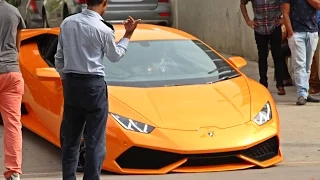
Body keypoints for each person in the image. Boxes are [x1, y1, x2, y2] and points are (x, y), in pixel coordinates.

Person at [54, 0, 140, 179]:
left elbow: (59, 57)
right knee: (95, 141)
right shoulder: (104, 29)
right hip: (94, 85)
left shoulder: (67, 23)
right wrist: (128, 35)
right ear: (104, 3)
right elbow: (115, 56)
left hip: (71, 84)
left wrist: (65, 80)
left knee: (70, 139)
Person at [0, 1, 26, 180]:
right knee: (13, 124)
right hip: (11, 72)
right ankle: (14, 172)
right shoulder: (13, 11)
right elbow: (17, 47)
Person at [240, 0, 287, 95]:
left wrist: (283, 19)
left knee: (278, 56)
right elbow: (242, 4)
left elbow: (287, 3)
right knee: (262, 56)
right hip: (259, 28)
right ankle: (263, 84)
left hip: (274, 27)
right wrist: (248, 21)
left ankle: (280, 85)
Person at [282, 0, 320, 105]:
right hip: (297, 33)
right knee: (299, 64)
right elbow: (285, 13)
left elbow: (318, 5)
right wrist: (290, 32)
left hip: (312, 32)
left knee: (308, 65)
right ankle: (301, 94)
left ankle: (305, 93)